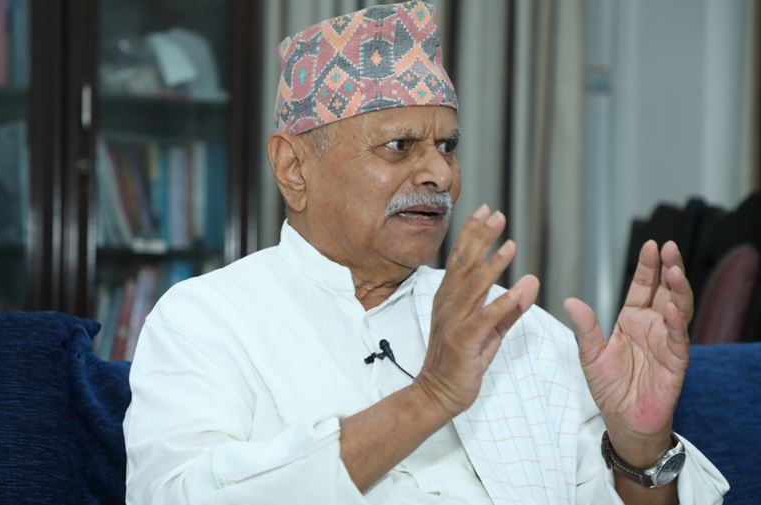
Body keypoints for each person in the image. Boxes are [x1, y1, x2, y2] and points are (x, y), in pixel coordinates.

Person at [123, 2, 729, 504]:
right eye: (399, 146)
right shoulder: (207, 320)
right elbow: (173, 495)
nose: (440, 174)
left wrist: (639, 449)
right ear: (293, 168)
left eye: (448, 146)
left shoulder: (513, 329)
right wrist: (430, 397)